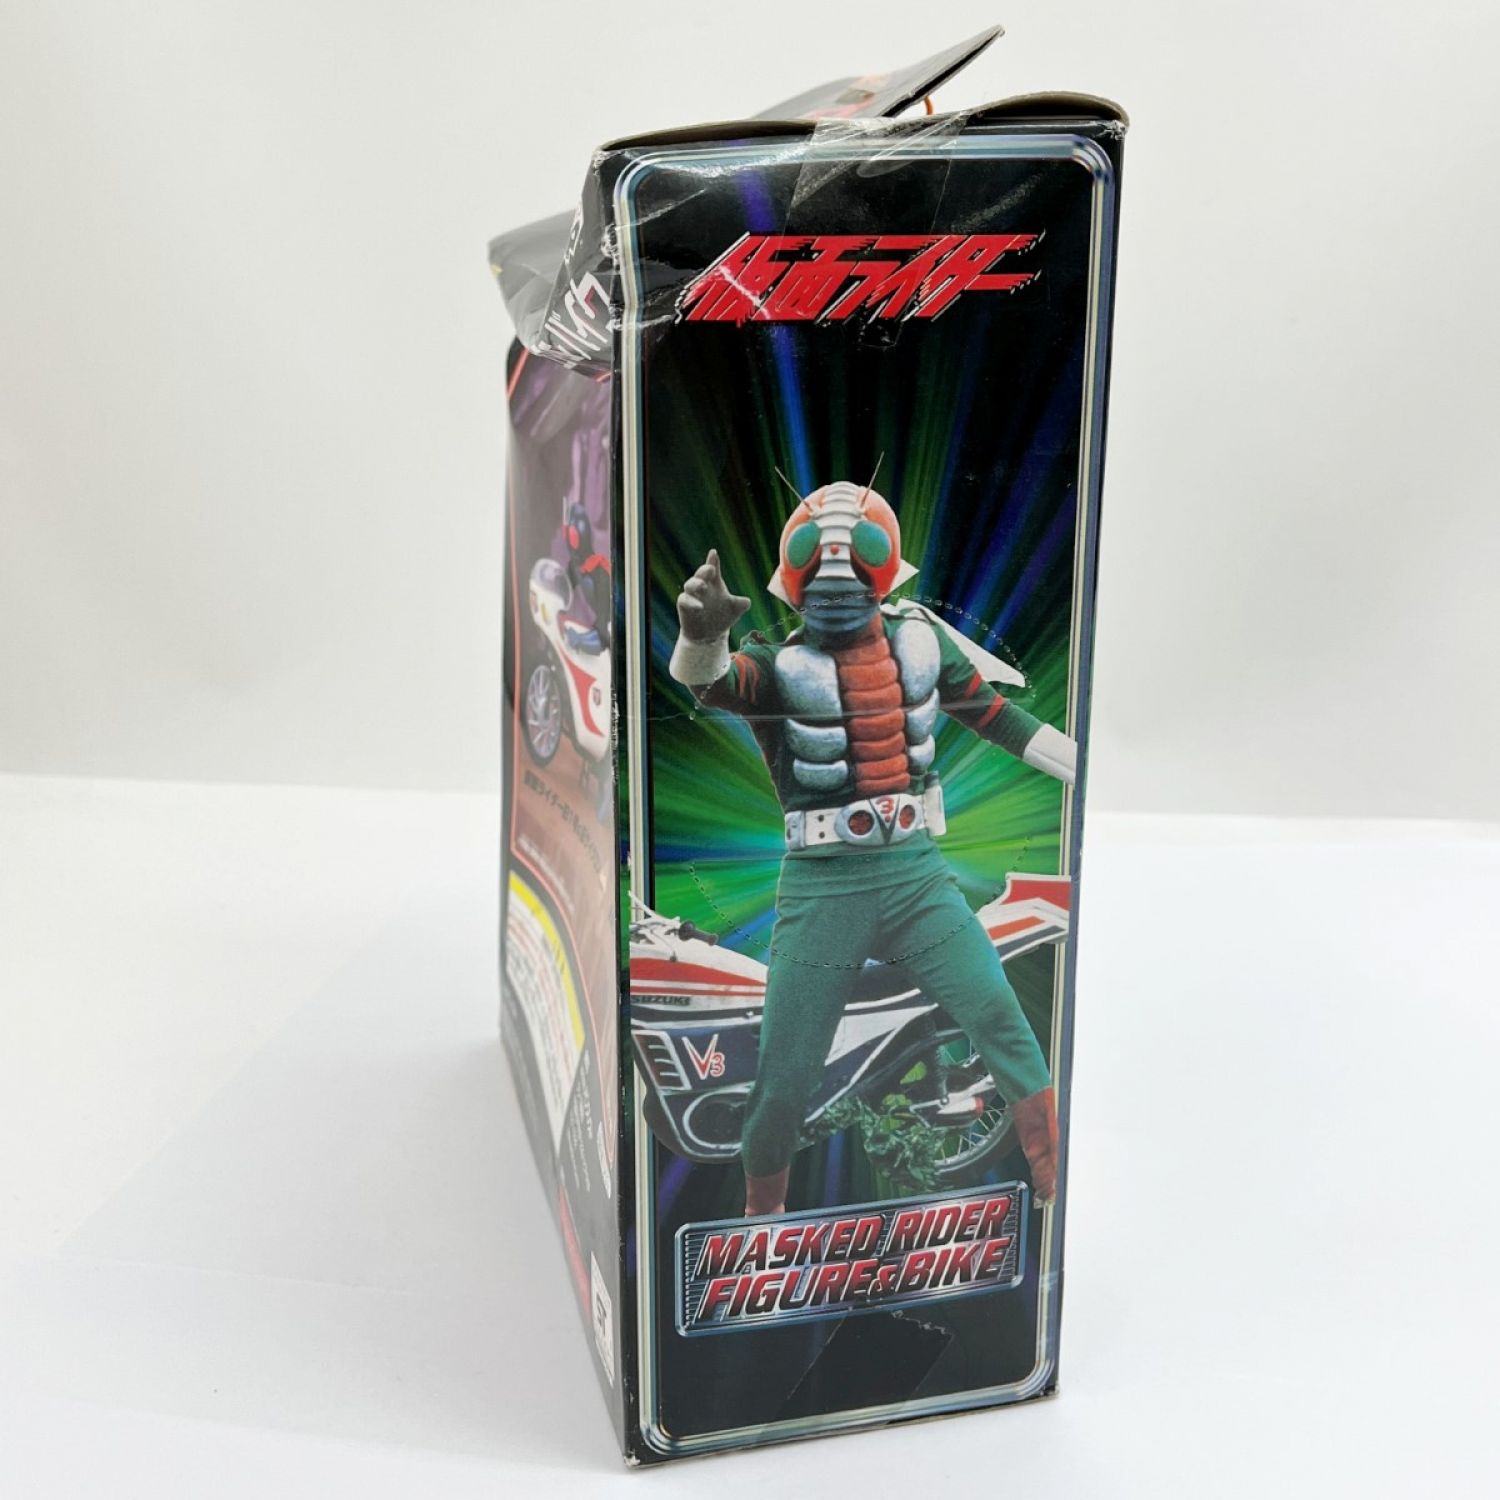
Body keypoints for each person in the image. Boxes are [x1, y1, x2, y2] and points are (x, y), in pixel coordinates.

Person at [668, 481, 1076, 1215]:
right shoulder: (775, 663)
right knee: (786, 1077)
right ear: (792, 568)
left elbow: (995, 716)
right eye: (815, 551)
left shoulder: (922, 641)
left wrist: (1091, 771)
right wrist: (701, 635)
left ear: (886, 561)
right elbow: (714, 684)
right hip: (822, 886)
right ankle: (763, 1224)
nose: (836, 571)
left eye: (858, 550)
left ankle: (1055, 1186)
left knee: (998, 1016)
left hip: (916, 873)